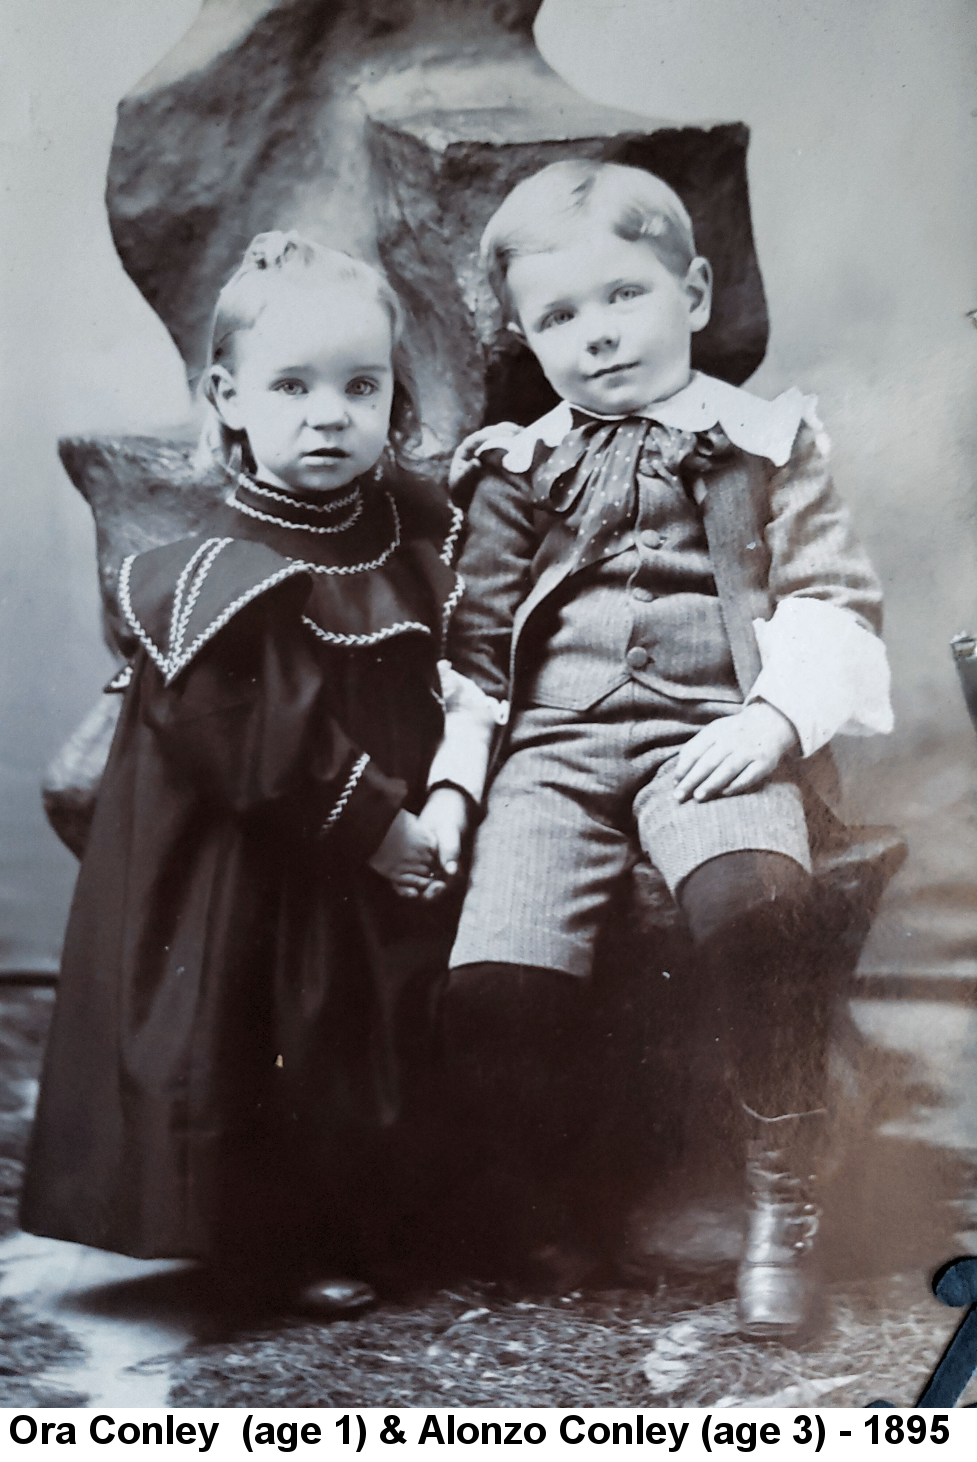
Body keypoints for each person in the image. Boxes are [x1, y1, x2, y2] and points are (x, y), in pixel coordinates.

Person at [430, 160, 894, 1336]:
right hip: (556, 751)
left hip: (710, 734)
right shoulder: (513, 465)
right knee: (498, 984)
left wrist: (770, 722)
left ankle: (777, 1204)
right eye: (557, 318)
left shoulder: (764, 441)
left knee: (758, 916)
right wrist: (452, 786)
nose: (593, 338)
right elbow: (476, 648)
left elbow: (835, 596)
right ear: (528, 339)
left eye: (620, 296)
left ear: (689, 291)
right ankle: (555, 1207)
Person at [20, 232, 490, 1314]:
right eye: (292, 386)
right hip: (262, 854)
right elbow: (253, 741)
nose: (328, 414)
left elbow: (463, 668)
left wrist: (441, 803)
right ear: (228, 397)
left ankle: (379, 1221)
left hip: (396, 834)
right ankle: (273, 1244)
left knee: (372, 1025)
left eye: (358, 387)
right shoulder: (214, 576)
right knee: (277, 1025)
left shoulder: (413, 529)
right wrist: (379, 827)